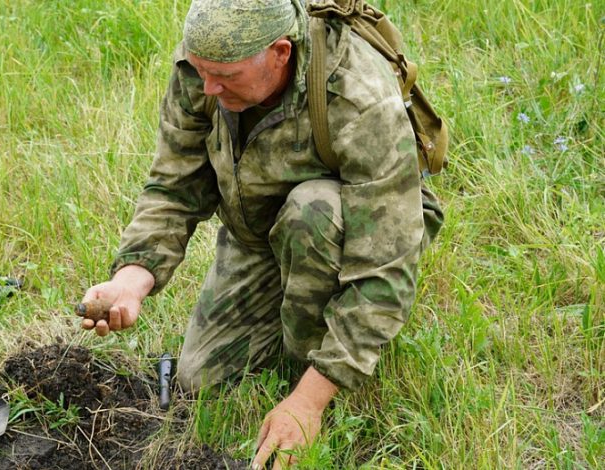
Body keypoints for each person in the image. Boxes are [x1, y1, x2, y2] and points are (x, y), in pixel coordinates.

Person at [81, 0, 443, 467]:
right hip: (258, 233)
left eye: (225, 77)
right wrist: (132, 279)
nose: (209, 87)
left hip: (346, 225)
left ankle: (318, 367)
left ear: (279, 53)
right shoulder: (208, 64)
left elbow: (386, 267)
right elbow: (175, 185)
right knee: (200, 380)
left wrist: (308, 401)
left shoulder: (357, 93)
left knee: (310, 213)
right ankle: (295, 305)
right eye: (201, 71)